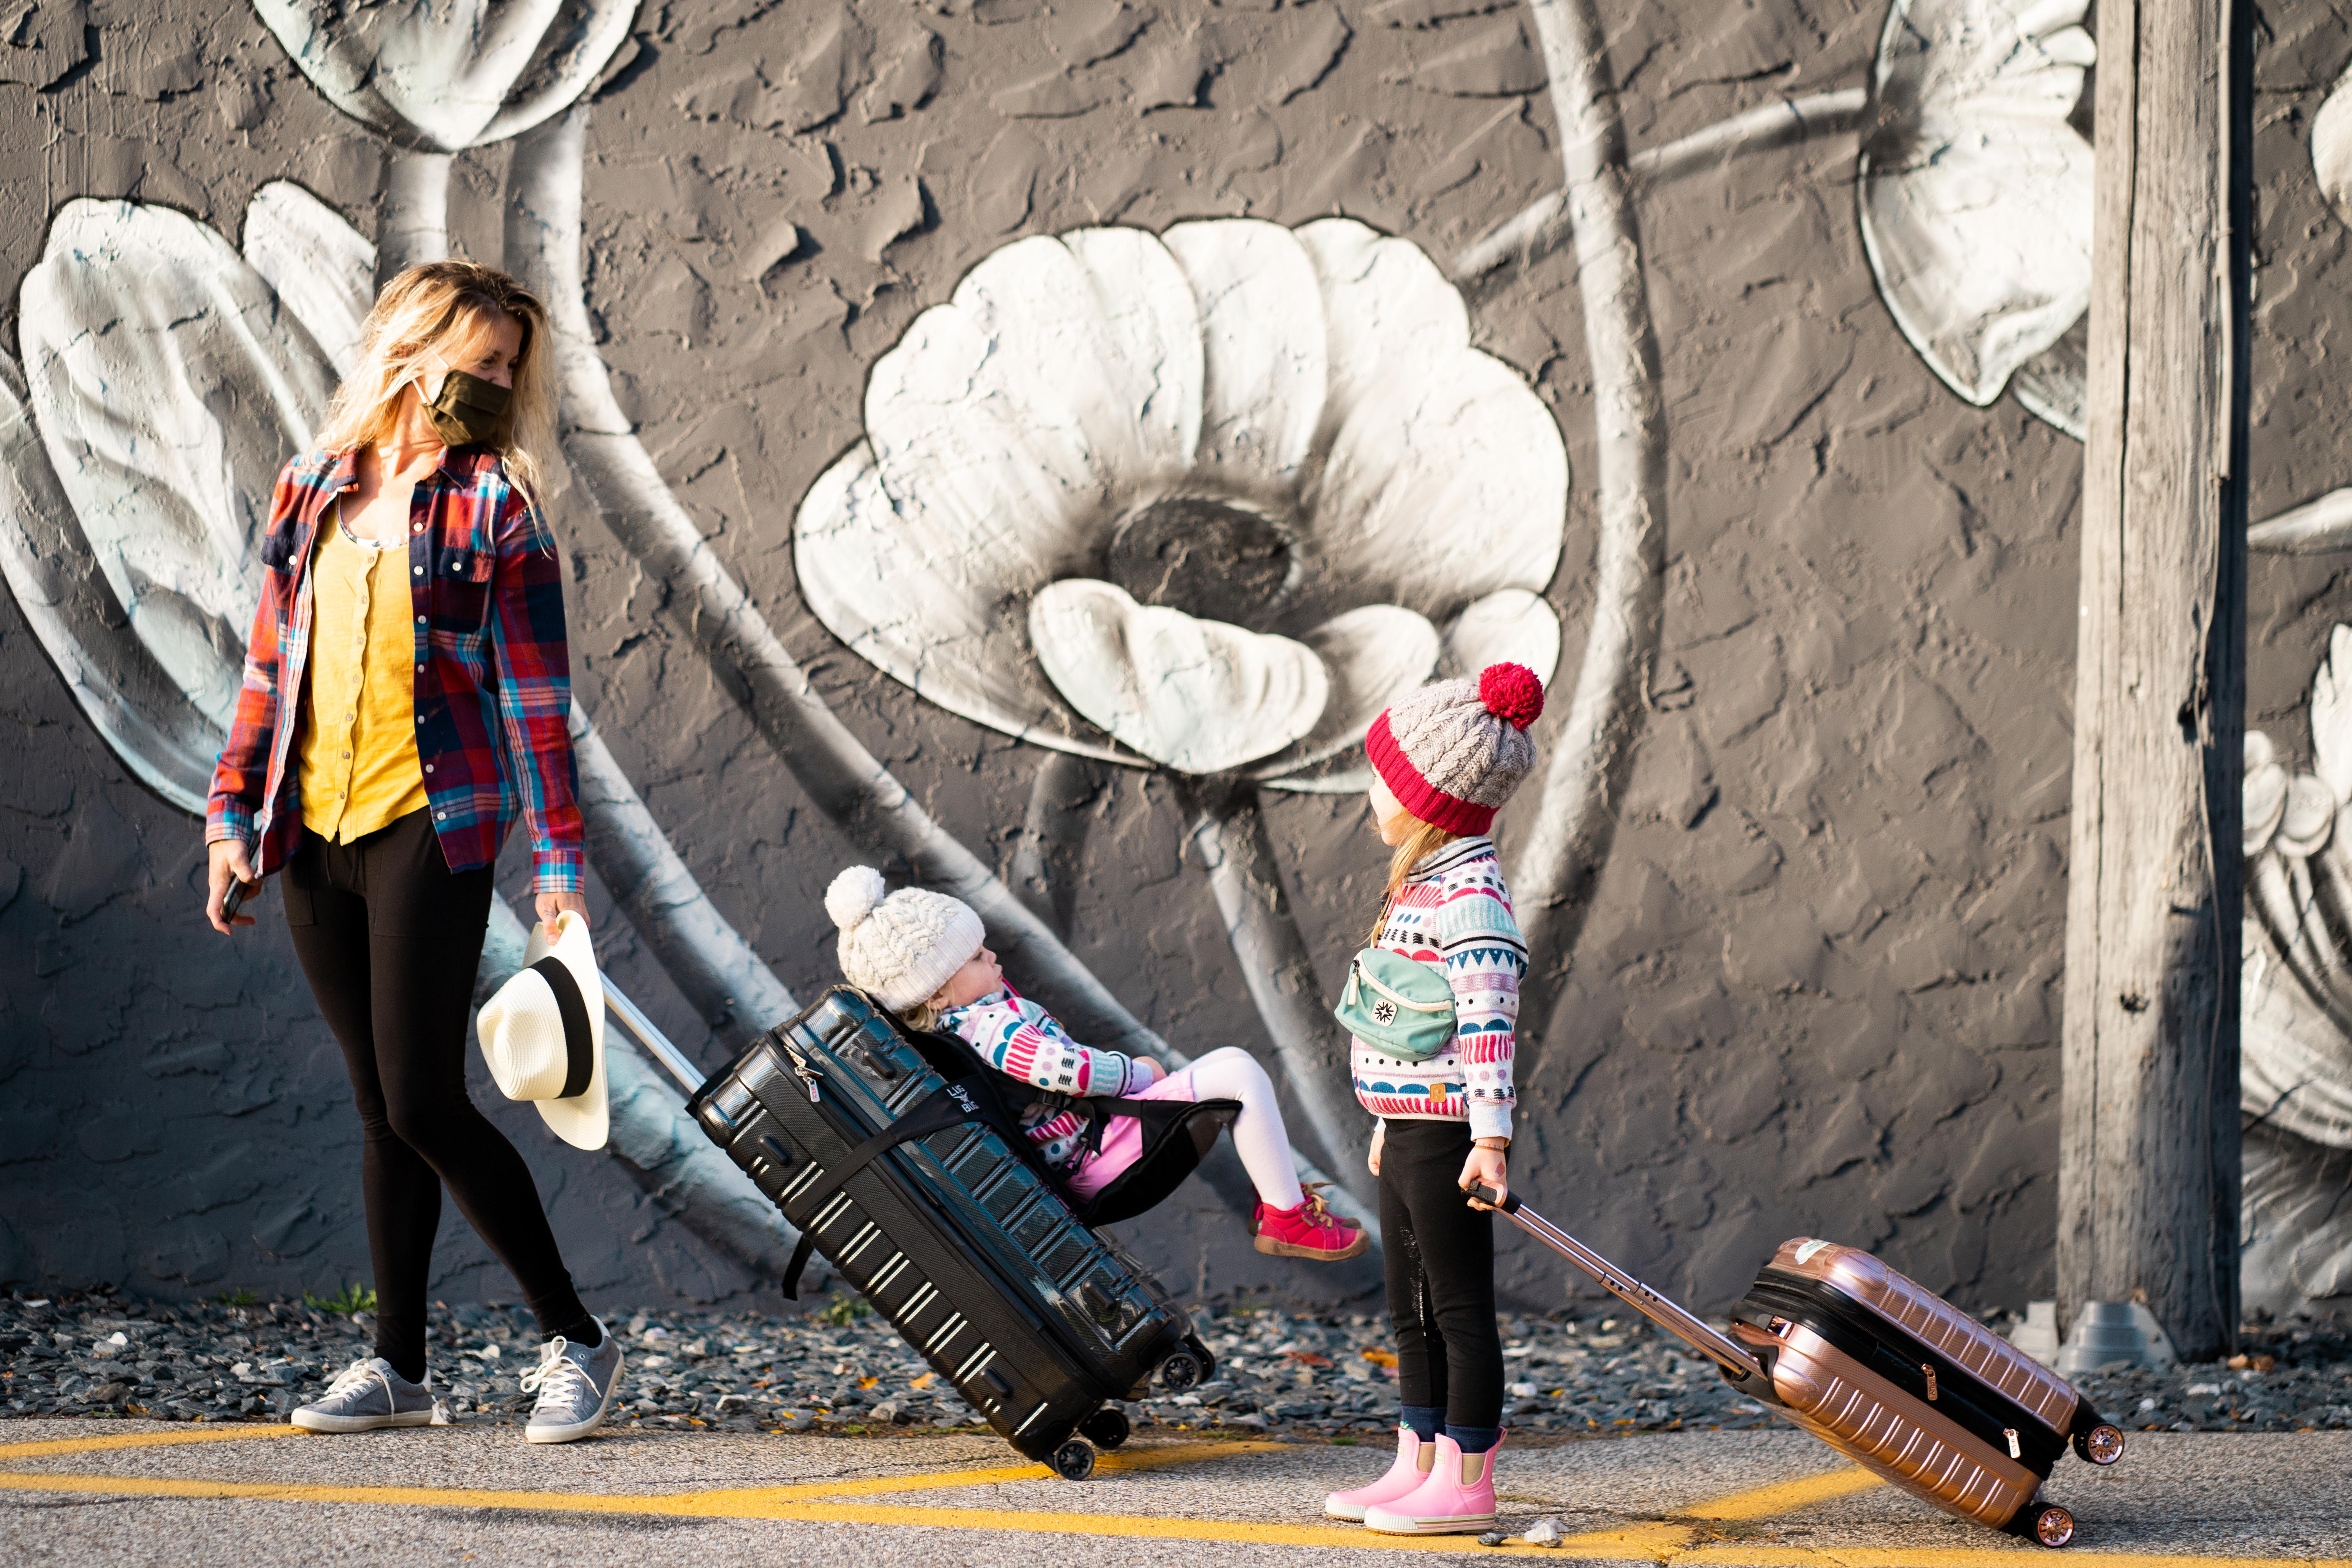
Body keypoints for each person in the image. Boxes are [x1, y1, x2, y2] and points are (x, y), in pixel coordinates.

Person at [204, 261, 622, 1444]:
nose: (496, 386)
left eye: (508, 371)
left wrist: (557, 867)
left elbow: (539, 701)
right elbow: (265, 669)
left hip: (429, 830)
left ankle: (576, 1339)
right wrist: (231, 821)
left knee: (429, 1099)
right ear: (410, 349)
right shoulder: (310, 488)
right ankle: (399, 1369)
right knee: (379, 1111)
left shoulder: (499, 508)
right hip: (311, 836)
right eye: (480, 361)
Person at [825, 865, 1368, 1260]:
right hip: (1094, 1157)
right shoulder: (991, 1030)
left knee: (1231, 1068)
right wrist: (1138, 1074)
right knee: (1239, 1072)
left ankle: (1281, 1205)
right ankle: (1287, 1218)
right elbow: (1067, 1073)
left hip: (1096, 1141)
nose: (992, 957)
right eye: (974, 958)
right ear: (937, 994)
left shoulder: (973, 1016)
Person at [1324, 663, 1543, 1535]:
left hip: (1450, 1137)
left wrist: (1490, 1141)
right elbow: (1403, 1025)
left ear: (1431, 798)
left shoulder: (1472, 898)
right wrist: (1384, 1119)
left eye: (1385, 778)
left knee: (1457, 1306)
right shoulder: (1417, 885)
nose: (1372, 791)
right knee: (1407, 1304)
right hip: (1406, 1131)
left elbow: (1488, 1031)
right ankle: (1416, 1457)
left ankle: (1468, 1474)